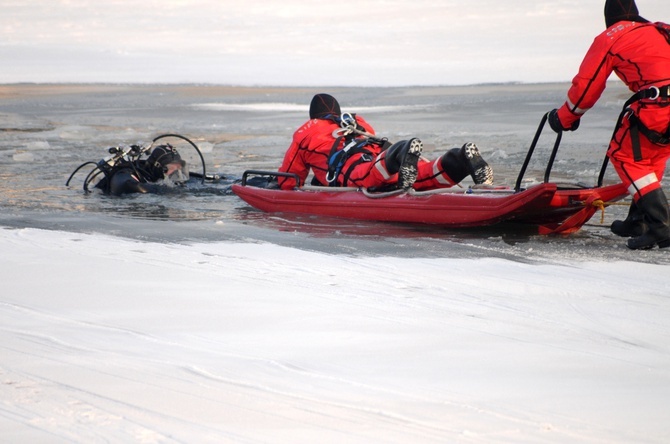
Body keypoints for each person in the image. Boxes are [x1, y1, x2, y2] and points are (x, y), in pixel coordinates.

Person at [547, 0, 670, 250]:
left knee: (624, 156)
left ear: (608, 18)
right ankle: (639, 221)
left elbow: (586, 87)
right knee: (649, 158)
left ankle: (661, 227)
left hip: (659, 107)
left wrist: (565, 117)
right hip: (663, 108)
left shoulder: (610, 37)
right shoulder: (661, 29)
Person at [277, 93, 493, 192]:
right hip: (375, 149)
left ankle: (400, 152)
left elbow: (289, 177)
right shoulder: (355, 120)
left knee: (367, 176)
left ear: (313, 115)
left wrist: (284, 191)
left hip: (352, 163)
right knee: (424, 174)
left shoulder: (306, 131)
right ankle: (460, 159)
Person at [95, 144, 188, 195]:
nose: (177, 173)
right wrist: (161, 191)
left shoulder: (159, 179)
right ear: (158, 167)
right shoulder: (129, 173)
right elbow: (126, 184)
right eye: (172, 168)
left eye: (179, 168)